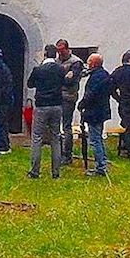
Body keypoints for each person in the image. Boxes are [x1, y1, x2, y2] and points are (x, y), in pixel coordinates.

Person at [27, 44, 65, 179]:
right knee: (56, 137)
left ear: (45, 54)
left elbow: (30, 84)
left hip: (42, 105)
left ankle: (35, 171)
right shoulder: (61, 69)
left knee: (37, 137)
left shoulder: (39, 69)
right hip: (56, 104)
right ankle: (56, 172)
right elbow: (64, 83)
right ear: (56, 55)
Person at [78, 54, 112, 176]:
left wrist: (82, 104)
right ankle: (103, 162)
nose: (87, 64)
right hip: (102, 110)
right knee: (99, 138)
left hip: (95, 112)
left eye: (89, 62)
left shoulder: (96, 77)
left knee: (95, 140)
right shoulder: (105, 75)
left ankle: (101, 167)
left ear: (94, 63)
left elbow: (91, 94)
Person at [56, 40, 85, 166]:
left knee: (66, 126)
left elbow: (71, 80)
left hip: (69, 96)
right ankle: (58, 152)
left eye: (61, 50)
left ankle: (67, 154)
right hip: (57, 95)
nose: (60, 53)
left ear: (67, 49)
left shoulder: (75, 62)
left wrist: (59, 77)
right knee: (57, 125)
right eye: (58, 50)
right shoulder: (57, 61)